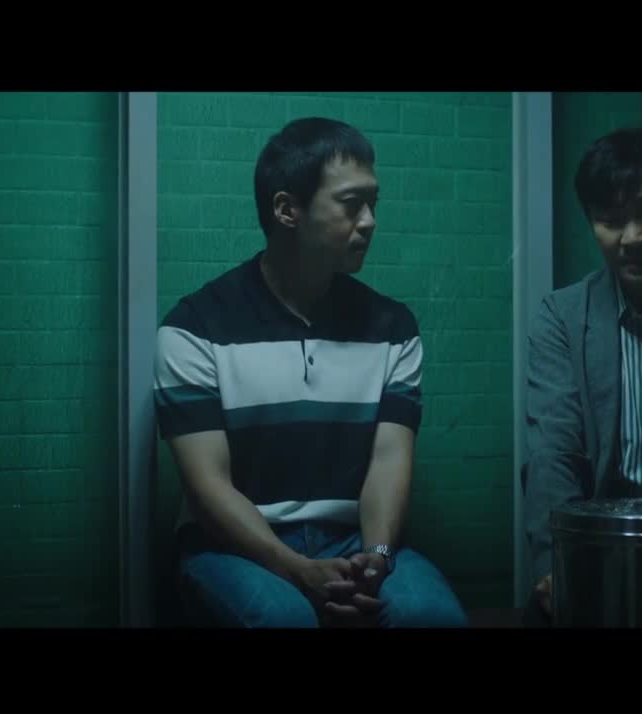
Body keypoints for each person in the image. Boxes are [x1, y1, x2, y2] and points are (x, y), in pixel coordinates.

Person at [154, 117, 468, 628]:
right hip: (233, 547)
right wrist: (297, 570)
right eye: (351, 204)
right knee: (286, 618)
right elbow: (208, 486)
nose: (370, 221)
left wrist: (377, 558)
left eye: (373, 203)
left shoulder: (393, 328)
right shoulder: (195, 328)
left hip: (352, 540)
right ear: (287, 210)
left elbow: (388, 462)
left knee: (432, 617)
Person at [521, 128, 642, 625]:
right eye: (611, 221)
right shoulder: (564, 315)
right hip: (602, 545)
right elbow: (553, 453)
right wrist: (556, 565)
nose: (632, 237)